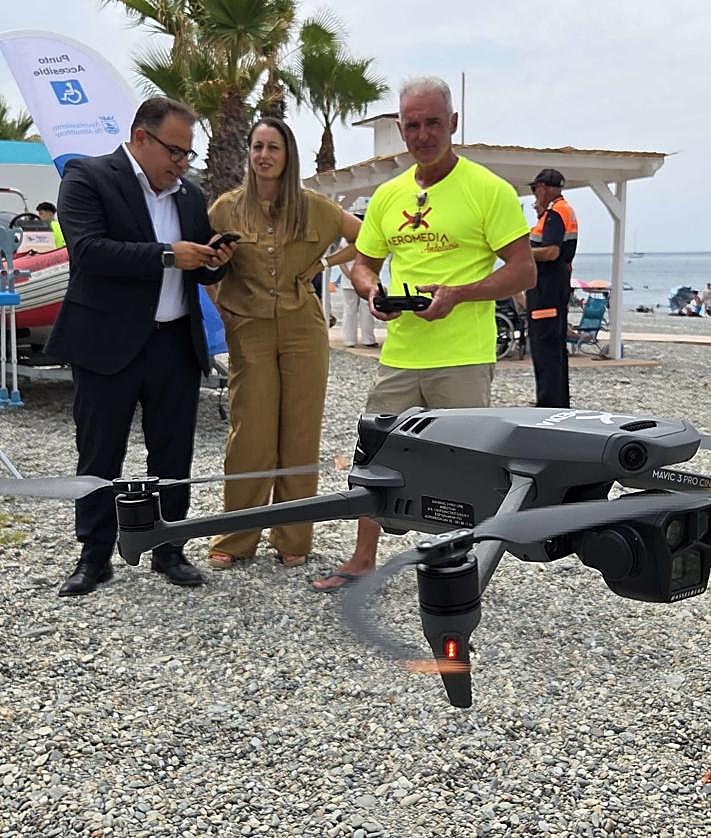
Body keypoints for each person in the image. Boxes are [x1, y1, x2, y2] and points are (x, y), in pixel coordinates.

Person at [312, 75, 535, 592]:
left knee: (467, 466)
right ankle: (362, 559)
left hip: (462, 354)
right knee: (374, 453)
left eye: (433, 122)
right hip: (402, 354)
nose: (423, 134)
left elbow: (524, 271)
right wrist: (372, 292)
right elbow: (362, 263)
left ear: (453, 124)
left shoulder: (489, 190)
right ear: (400, 129)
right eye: (412, 125)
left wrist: (458, 293)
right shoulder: (388, 196)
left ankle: (460, 569)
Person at [46, 96, 235, 597]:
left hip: (174, 343)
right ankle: (94, 556)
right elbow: (88, 253)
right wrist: (172, 255)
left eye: (188, 155)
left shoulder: (188, 196)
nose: (181, 163)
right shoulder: (88, 178)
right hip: (106, 342)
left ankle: (168, 548)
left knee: (173, 454)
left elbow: (200, 265)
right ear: (141, 138)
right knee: (98, 453)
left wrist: (216, 259)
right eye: (175, 151)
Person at [206, 116, 361, 569]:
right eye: (257, 146)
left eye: (273, 147)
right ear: (248, 153)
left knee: (299, 433)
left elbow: (371, 238)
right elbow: (205, 263)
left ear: (287, 154)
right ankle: (235, 538)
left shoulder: (316, 207)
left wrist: (327, 262)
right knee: (249, 433)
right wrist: (222, 307)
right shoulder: (225, 209)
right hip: (249, 329)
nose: (263, 155)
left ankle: (293, 539)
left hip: (302, 329)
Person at [526, 169, 578, 408]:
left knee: (545, 348)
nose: (535, 196)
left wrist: (521, 254)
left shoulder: (556, 213)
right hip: (554, 287)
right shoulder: (560, 211)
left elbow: (551, 251)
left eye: (534, 190)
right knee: (554, 350)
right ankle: (557, 403)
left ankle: (548, 405)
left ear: (543, 188)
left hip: (547, 289)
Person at [338, 225, 378, 348]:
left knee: (349, 310)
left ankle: (349, 340)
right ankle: (368, 339)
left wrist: (349, 275)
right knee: (367, 309)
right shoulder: (369, 239)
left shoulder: (345, 240)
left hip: (348, 280)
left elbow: (341, 261)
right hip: (366, 280)